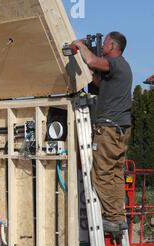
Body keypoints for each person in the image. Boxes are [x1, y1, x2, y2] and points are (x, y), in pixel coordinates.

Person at [73, 32, 133, 233]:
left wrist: (80, 46)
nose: (103, 47)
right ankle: (118, 217)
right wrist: (91, 74)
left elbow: (91, 59)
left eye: (105, 43)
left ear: (112, 46)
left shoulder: (114, 63)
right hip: (120, 129)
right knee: (115, 173)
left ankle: (113, 218)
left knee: (102, 173)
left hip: (108, 128)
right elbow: (100, 84)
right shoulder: (123, 67)